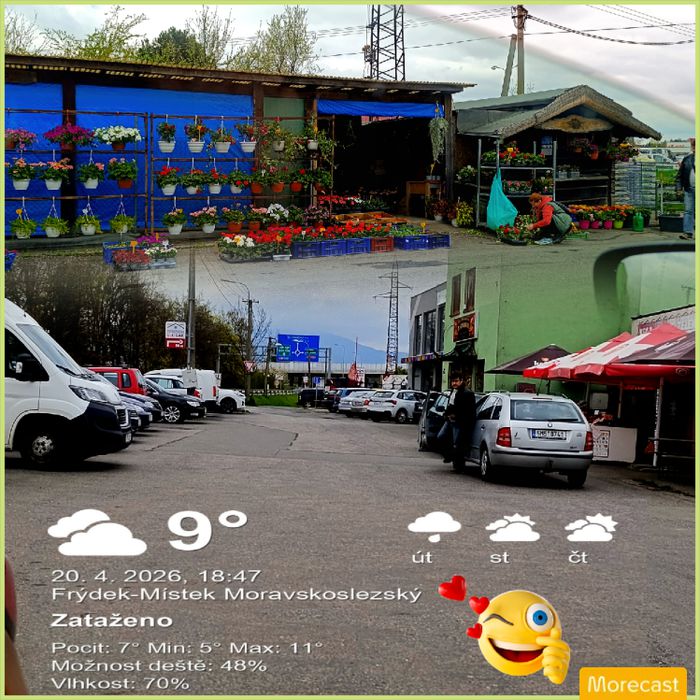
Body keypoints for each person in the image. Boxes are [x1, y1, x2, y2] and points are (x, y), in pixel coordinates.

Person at [438, 373, 476, 471]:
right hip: (450, 420)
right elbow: (451, 405)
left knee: (458, 444)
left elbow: (469, 411)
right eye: (452, 381)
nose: (454, 383)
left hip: (459, 422)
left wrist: (457, 417)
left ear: (461, 381)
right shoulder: (453, 392)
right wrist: (446, 415)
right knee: (441, 436)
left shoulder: (467, 393)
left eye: (456, 381)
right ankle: (449, 455)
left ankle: (459, 465)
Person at [676, 137, 695, 240]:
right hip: (689, 189)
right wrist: (679, 188)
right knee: (688, 211)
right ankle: (688, 233)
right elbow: (679, 175)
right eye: (693, 145)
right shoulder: (687, 159)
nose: (694, 148)